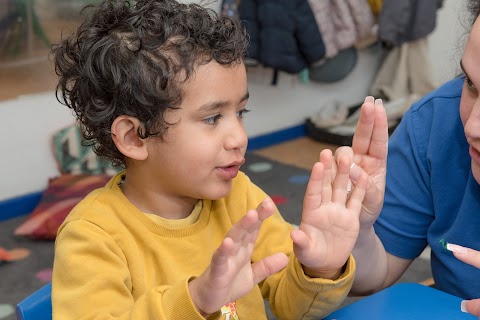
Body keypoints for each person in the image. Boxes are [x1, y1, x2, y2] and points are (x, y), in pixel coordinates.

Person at [50, 0, 369, 319]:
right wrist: (195, 300)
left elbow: (294, 307)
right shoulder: (92, 234)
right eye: (213, 118)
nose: (240, 137)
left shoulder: (240, 197)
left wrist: (320, 270)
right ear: (135, 137)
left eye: (240, 112)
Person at [335, 0, 480, 318]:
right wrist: (356, 234)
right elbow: (375, 275)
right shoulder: (436, 123)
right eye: (471, 84)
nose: (471, 127)